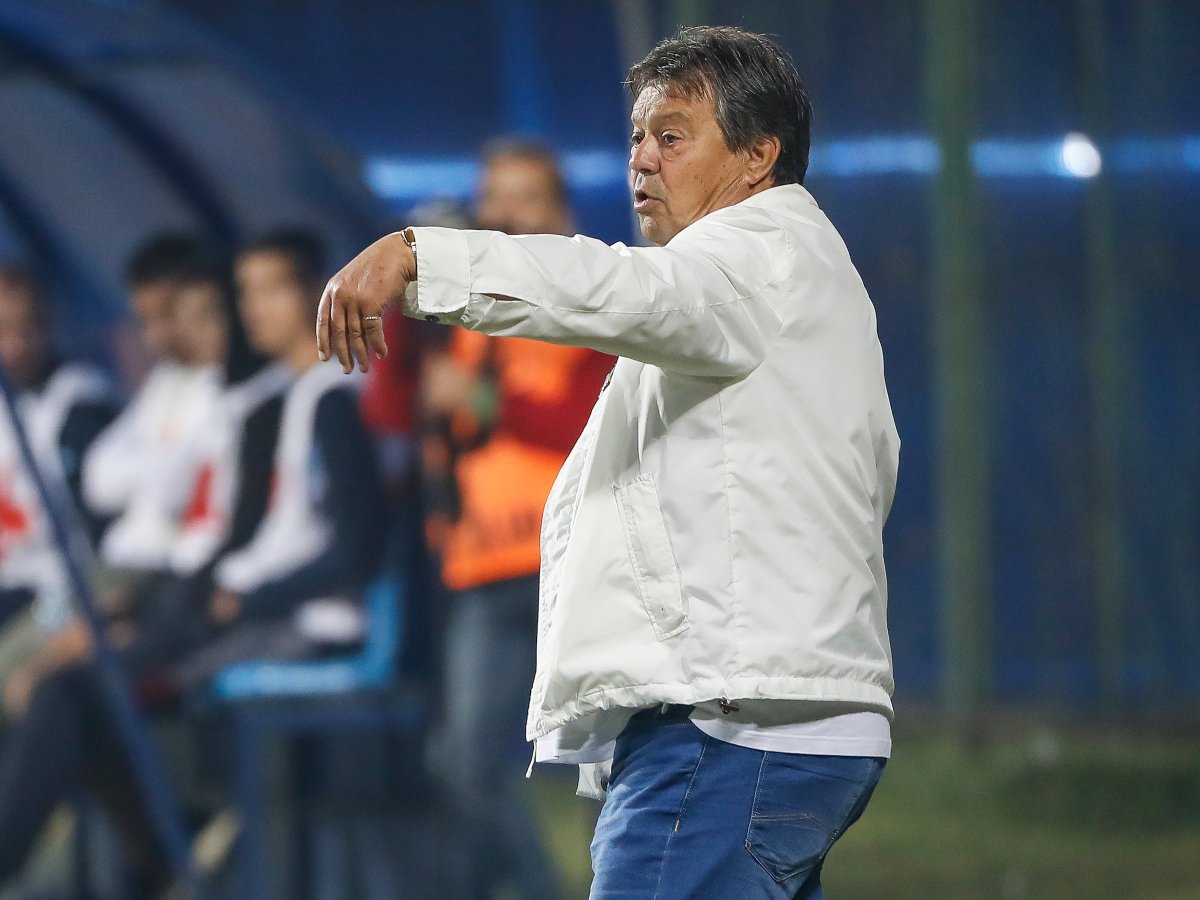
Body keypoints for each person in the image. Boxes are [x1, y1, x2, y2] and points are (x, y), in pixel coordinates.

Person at [319, 25, 899, 900]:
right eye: (636, 137)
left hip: (730, 729)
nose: (642, 159)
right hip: (776, 718)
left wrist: (418, 255)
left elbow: (624, 289)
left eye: (672, 135)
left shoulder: (755, 256)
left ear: (758, 156)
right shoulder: (797, 274)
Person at [420, 141, 612, 900]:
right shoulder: (466, 315)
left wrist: (482, 401)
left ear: (561, 214)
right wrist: (406, 296)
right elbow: (393, 410)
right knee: (462, 760)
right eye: (493, 196)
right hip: (480, 567)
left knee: (599, 764)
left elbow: (591, 419)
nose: (503, 214)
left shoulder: (591, 300)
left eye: (524, 197)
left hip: (568, 565)